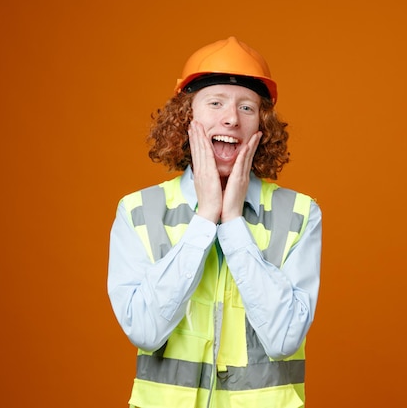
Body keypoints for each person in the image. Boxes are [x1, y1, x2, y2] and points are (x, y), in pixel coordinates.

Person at [108, 36, 322, 408]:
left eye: (247, 107)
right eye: (215, 103)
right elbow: (145, 330)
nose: (230, 118)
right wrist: (205, 218)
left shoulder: (300, 214)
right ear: (185, 118)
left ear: (262, 127)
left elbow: (284, 338)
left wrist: (234, 222)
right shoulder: (138, 211)